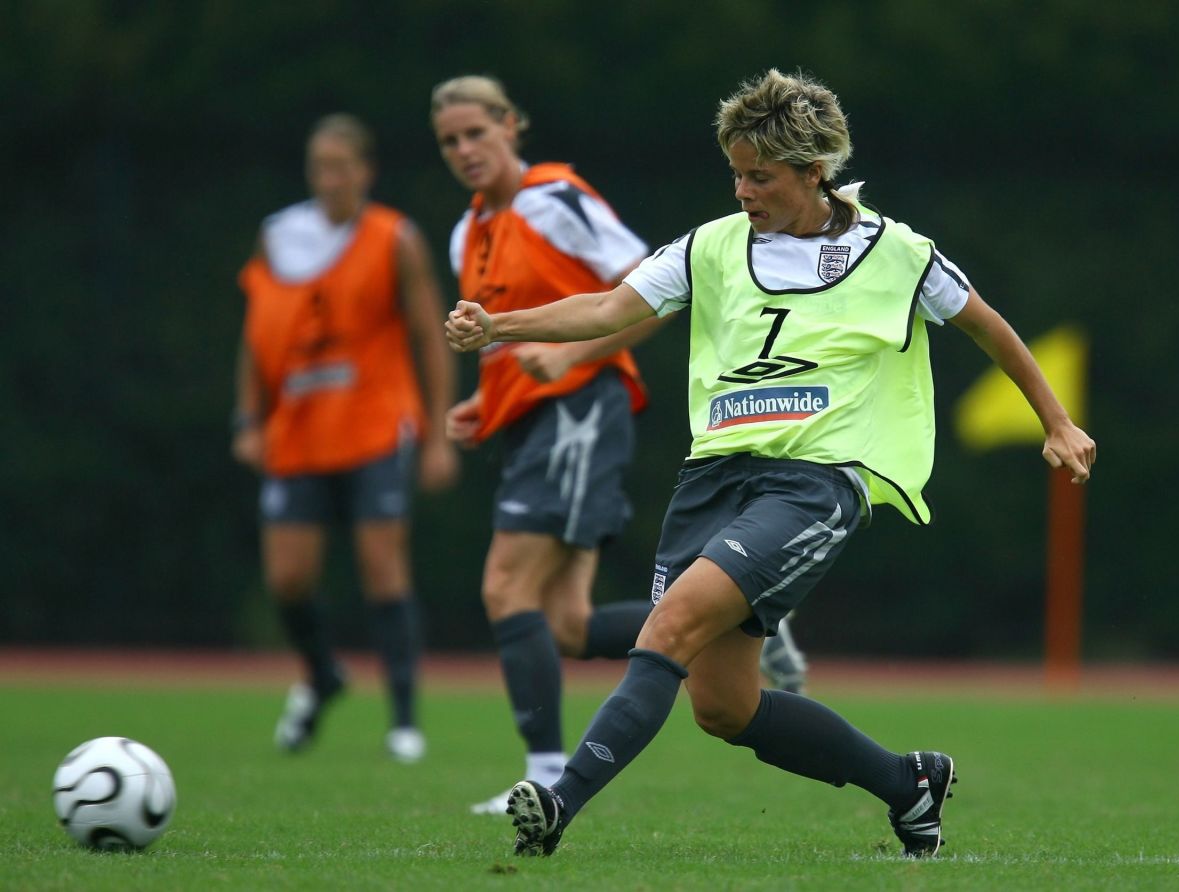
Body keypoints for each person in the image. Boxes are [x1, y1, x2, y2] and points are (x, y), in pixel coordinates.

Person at [446, 68, 1096, 857]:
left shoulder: (895, 252)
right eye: (736, 173)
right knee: (724, 707)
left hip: (815, 482)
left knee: (668, 626)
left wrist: (1057, 421)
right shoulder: (711, 245)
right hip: (712, 479)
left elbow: (988, 325)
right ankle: (909, 783)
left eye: (760, 176)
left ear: (813, 172)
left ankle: (558, 802)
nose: (742, 190)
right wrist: (500, 326)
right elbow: (609, 308)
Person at [430, 75, 669, 814]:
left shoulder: (554, 198)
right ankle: (732, 623)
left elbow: (657, 292)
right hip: (533, 420)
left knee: (505, 587)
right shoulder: (467, 232)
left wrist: (572, 359)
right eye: (449, 141)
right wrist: (485, 400)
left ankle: (542, 775)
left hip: (582, 408)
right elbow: (510, 337)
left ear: (511, 125)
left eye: (477, 132)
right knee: (565, 624)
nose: (465, 150)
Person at [233, 113, 459, 763]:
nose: (330, 179)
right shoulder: (279, 235)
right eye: (320, 167)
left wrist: (438, 433)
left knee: (383, 569)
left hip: (374, 425)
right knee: (288, 578)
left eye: (342, 166)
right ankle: (323, 674)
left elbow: (429, 334)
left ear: (366, 171)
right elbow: (255, 335)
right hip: (298, 431)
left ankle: (404, 721)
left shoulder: (394, 238)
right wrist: (247, 418)